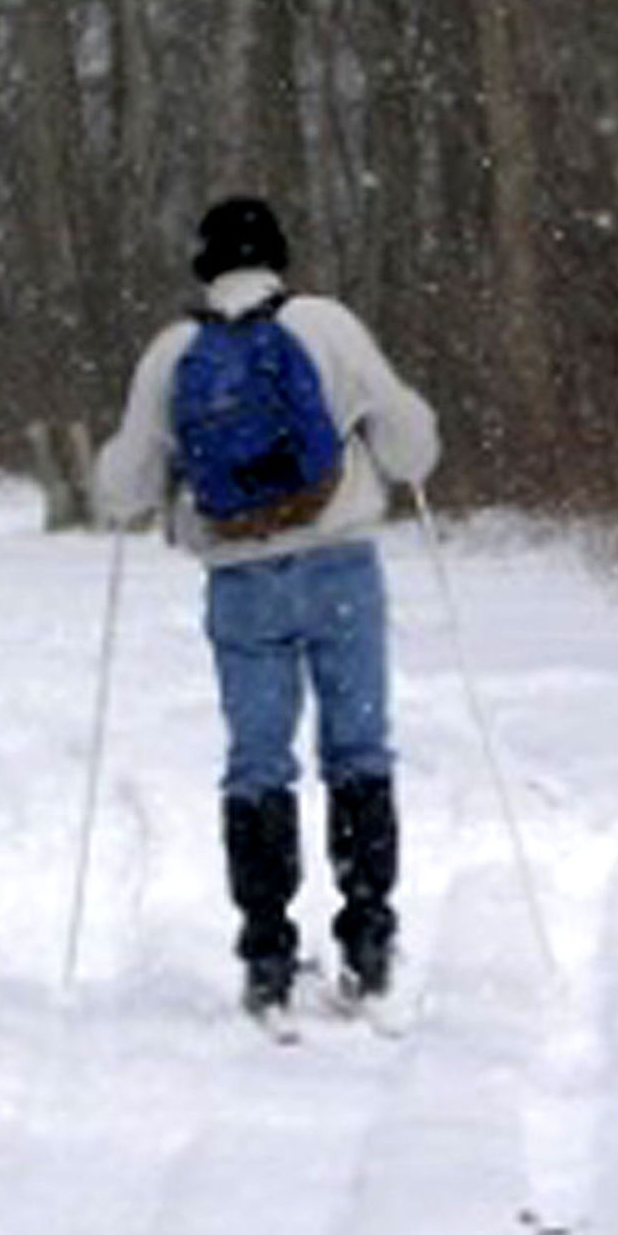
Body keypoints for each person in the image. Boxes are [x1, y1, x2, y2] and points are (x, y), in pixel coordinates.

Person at [95, 194, 444, 1022]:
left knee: (258, 761)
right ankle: (366, 938)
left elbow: (123, 489)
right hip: (341, 572)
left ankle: (267, 954)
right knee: (357, 748)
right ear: (279, 257)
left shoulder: (174, 351)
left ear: (203, 264)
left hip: (243, 585)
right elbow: (412, 446)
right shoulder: (327, 325)